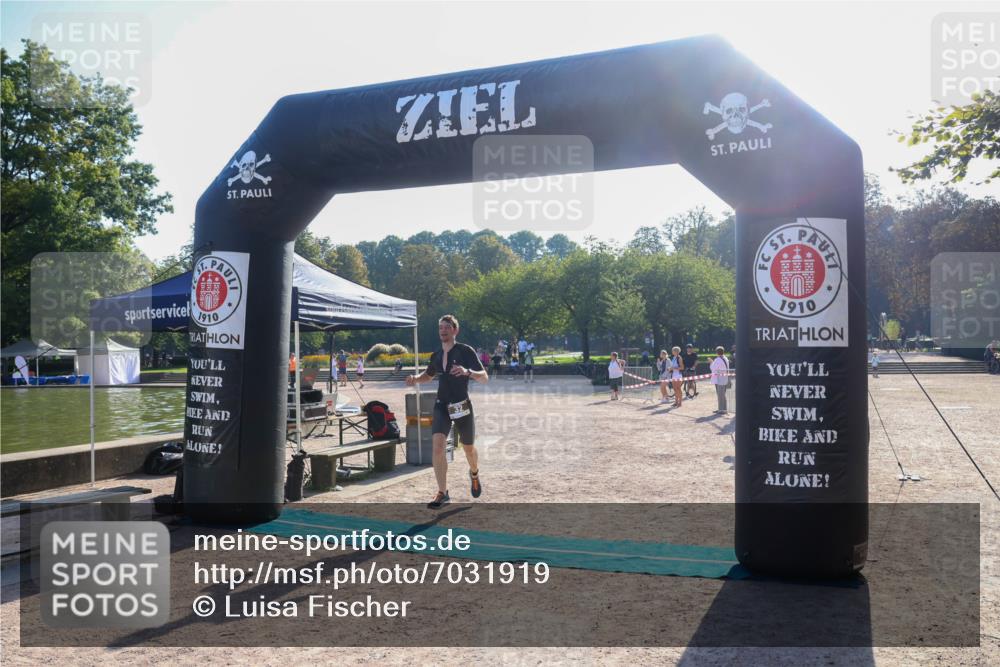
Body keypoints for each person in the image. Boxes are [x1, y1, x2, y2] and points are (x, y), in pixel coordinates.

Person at [406, 315, 488, 509]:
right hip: (441, 405)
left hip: (461, 405)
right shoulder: (436, 355)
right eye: (441, 327)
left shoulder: (465, 351)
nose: (443, 330)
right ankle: (442, 492)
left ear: (455, 330)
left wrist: (468, 372)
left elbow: (484, 377)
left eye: (447, 327)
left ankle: (474, 473)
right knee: (437, 447)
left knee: (468, 449)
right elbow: (428, 375)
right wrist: (415, 379)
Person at [710, 346, 730, 414]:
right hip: (725, 378)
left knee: (720, 395)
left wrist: (711, 362)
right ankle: (723, 408)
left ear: (717, 352)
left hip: (719, 379)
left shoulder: (717, 360)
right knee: (723, 394)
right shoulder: (725, 358)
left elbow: (713, 369)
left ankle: (721, 409)